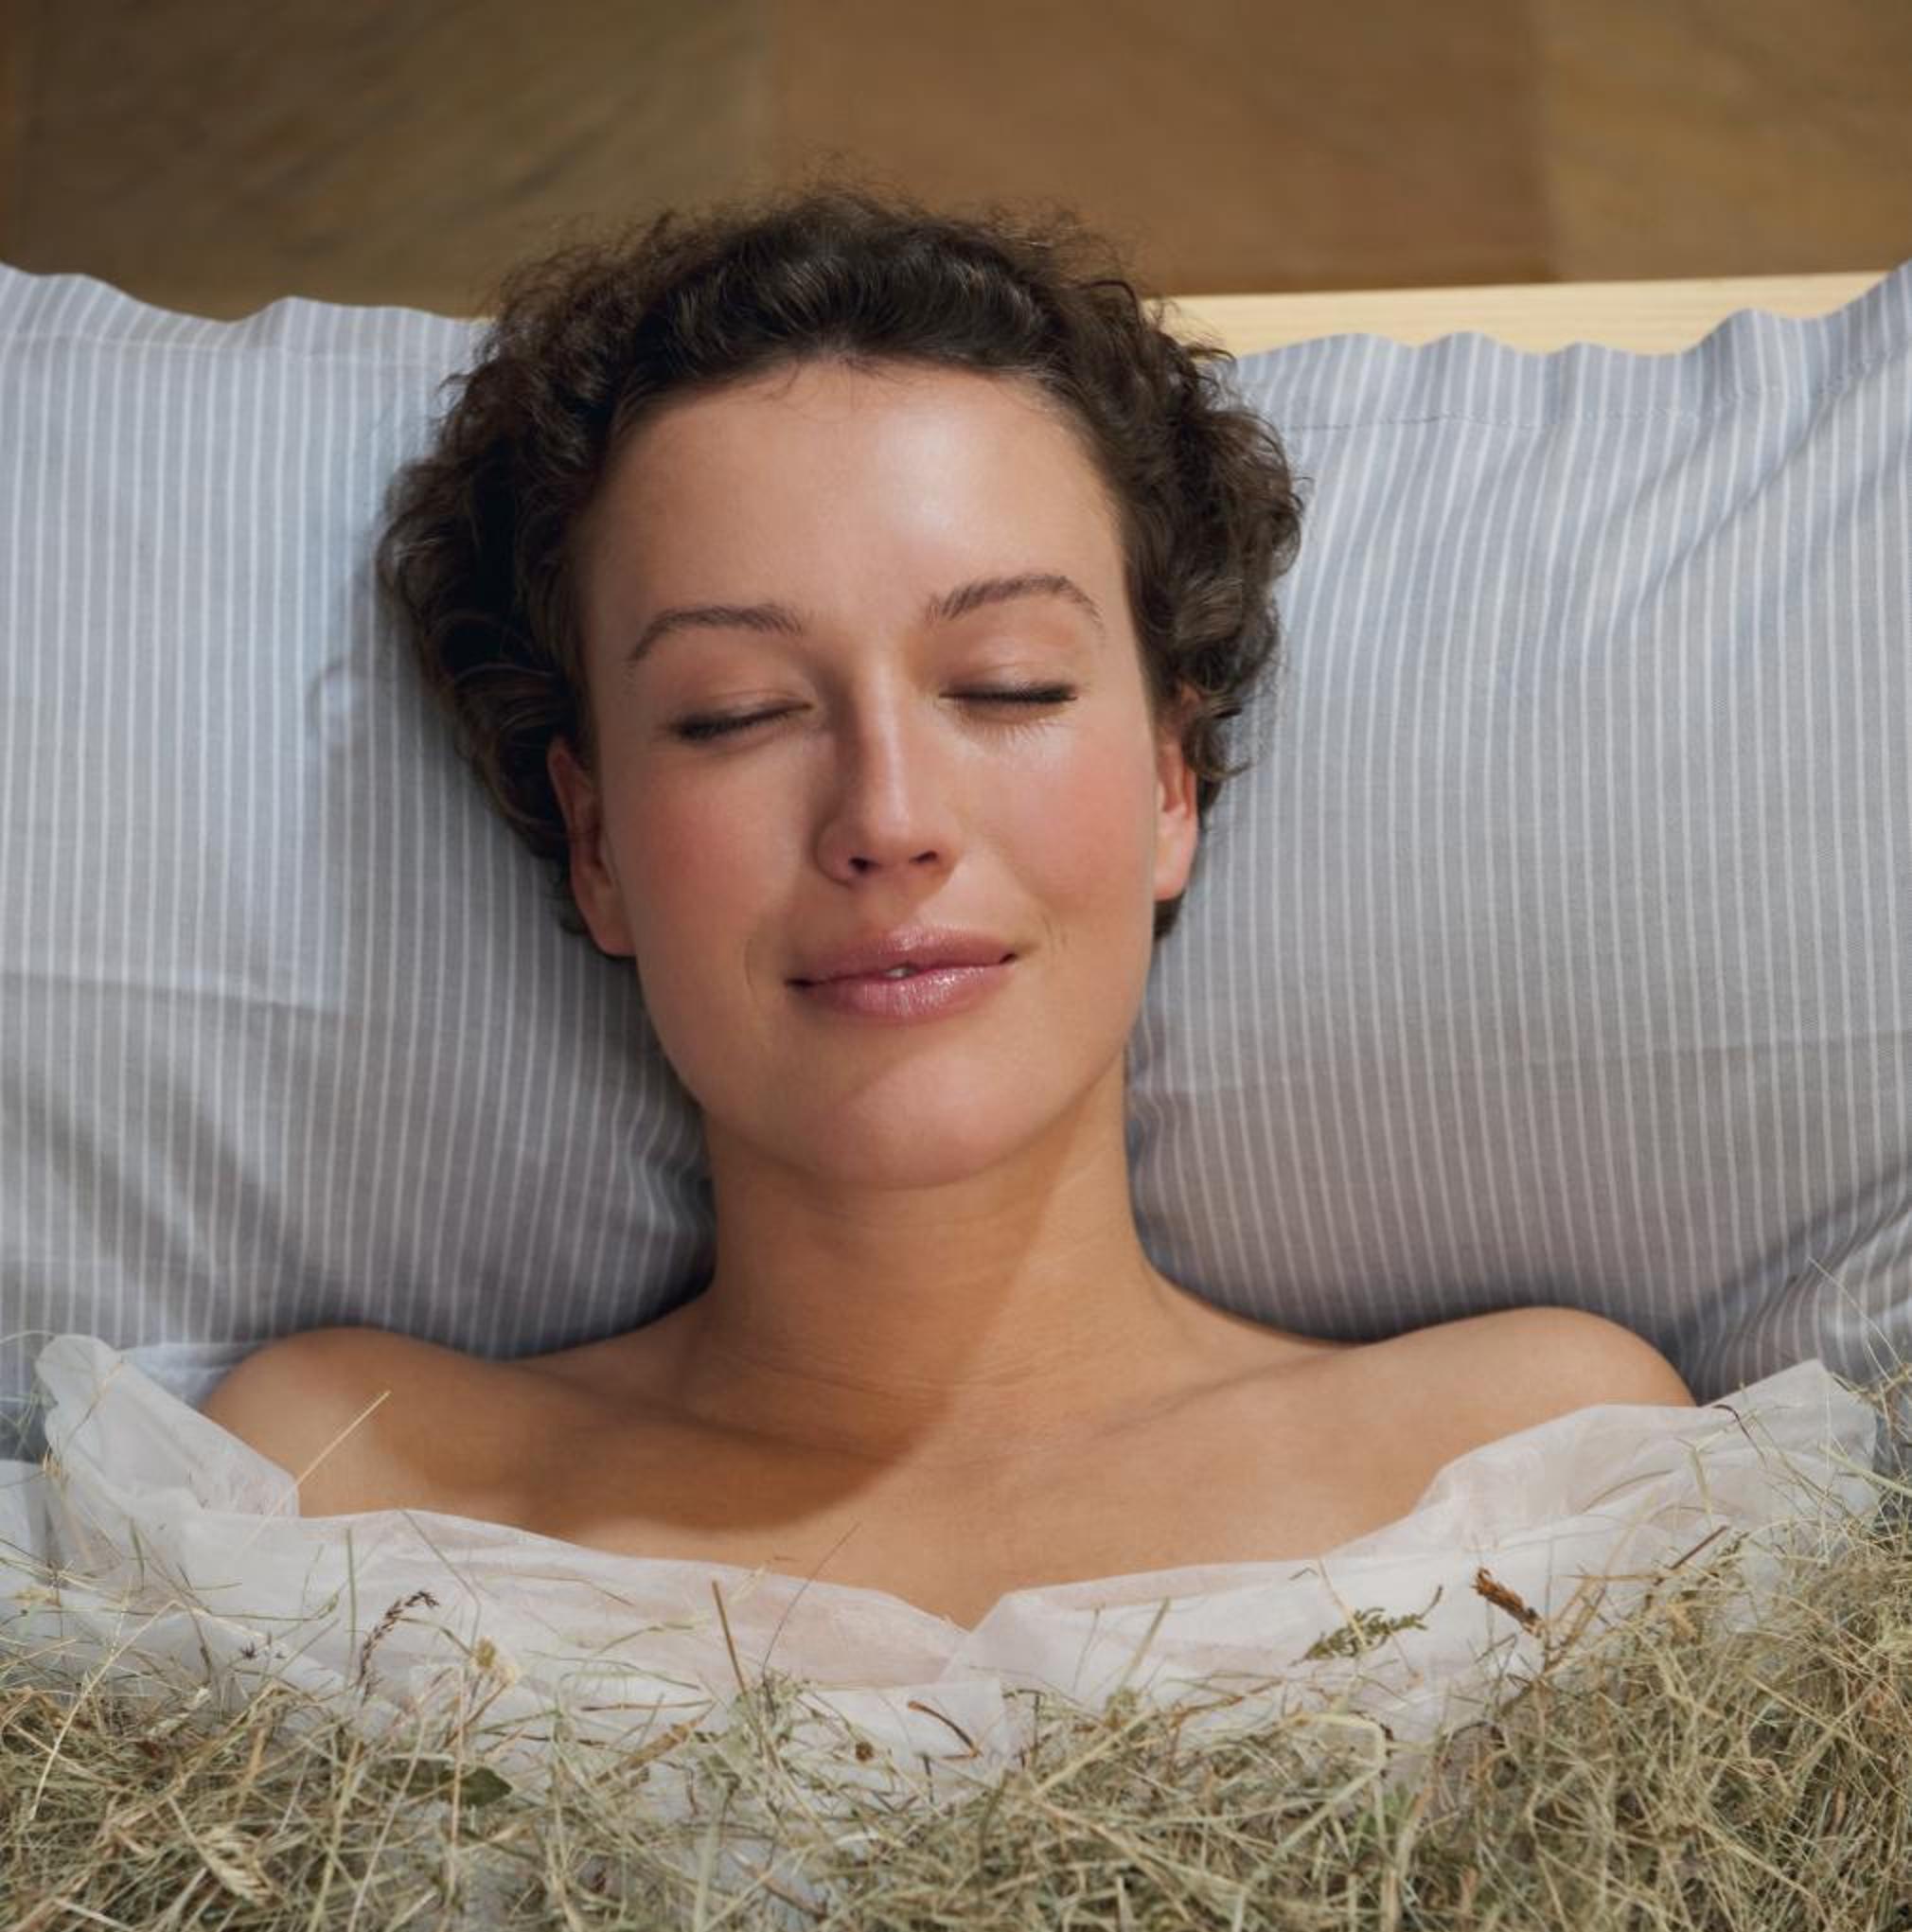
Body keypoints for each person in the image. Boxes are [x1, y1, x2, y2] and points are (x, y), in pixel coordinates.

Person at [198, 174, 1692, 1632]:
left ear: (1170, 783)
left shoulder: (1534, 1474)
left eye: (1007, 687)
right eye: (734, 713)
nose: (889, 820)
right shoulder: (344, 1501)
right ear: (596, 844)